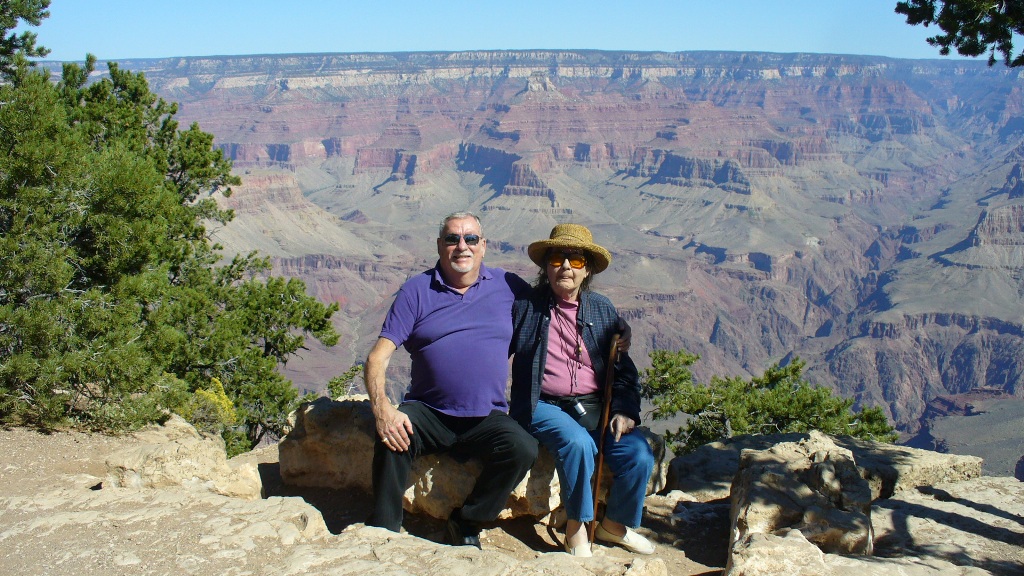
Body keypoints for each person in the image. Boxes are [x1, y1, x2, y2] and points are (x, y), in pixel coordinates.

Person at [363, 212, 539, 549]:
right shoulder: (417, 290)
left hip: (485, 416)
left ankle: (465, 521)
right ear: (440, 245)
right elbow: (377, 357)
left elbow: (554, 310)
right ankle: (383, 529)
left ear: (483, 246)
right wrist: (383, 410)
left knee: (522, 449)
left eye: (471, 238)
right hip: (428, 411)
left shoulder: (508, 285)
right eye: (453, 239)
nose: (462, 246)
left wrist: (612, 328)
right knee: (392, 439)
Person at [509, 223, 656, 557]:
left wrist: (623, 409)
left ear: (587, 269)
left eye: (575, 261)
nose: (565, 267)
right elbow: (493, 347)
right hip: (542, 404)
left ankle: (614, 527)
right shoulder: (526, 308)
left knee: (638, 455)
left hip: (594, 406)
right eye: (558, 258)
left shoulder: (601, 309)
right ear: (546, 266)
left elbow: (624, 371)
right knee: (577, 444)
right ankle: (577, 528)